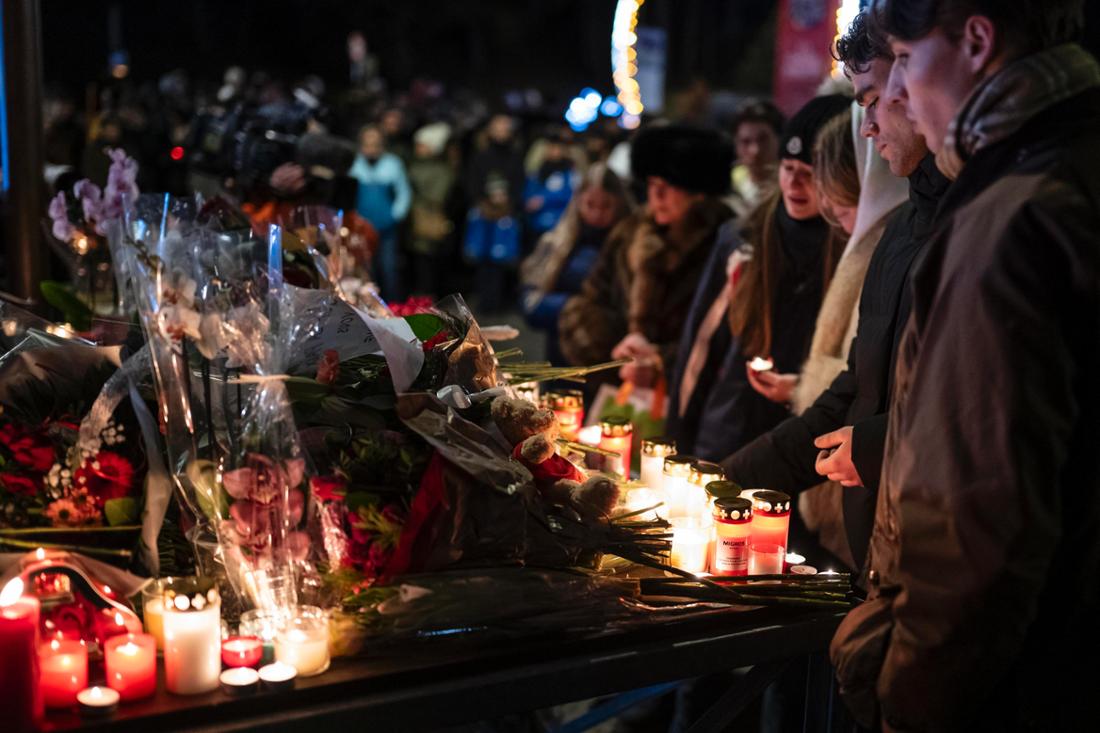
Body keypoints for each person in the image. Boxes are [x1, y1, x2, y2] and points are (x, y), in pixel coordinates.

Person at [829, 1, 1099, 729]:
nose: (900, 96)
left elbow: (972, 535)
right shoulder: (1065, 167)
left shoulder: (1009, 219)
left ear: (977, 40)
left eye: (909, 60)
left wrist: (907, 703)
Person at [722, 11, 949, 578]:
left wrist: (872, 445)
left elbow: (980, 419)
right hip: (873, 550)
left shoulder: (970, 227)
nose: (870, 126)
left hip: (927, 560)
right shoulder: (901, 233)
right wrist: (727, 477)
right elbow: (857, 387)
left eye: (872, 101)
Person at [665, 95, 850, 466]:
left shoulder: (851, 247)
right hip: (729, 430)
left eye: (809, 172)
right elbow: (701, 345)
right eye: (787, 167)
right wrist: (678, 438)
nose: (795, 183)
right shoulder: (743, 240)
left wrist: (802, 387)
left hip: (808, 447)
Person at [558, 124, 733, 395]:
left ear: (699, 192)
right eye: (652, 184)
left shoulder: (727, 244)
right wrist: (621, 352)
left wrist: (662, 361)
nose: (656, 195)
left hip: (689, 398)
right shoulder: (630, 231)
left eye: (669, 186)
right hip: (619, 391)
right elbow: (590, 300)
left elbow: (728, 337)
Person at [520, 163, 633, 366]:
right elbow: (530, 303)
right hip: (560, 360)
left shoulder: (631, 247)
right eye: (590, 205)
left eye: (606, 206)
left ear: (620, 204)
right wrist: (573, 309)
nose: (597, 213)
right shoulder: (557, 242)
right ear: (578, 201)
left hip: (612, 362)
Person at [464, 114, 526, 313]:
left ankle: (500, 301)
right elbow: (472, 184)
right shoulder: (480, 157)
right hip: (484, 216)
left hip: (506, 216)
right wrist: (485, 204)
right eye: (497, 128)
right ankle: (484, 302)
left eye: (504, 129)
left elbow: (519, 184)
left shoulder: (516, 158)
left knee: (503, 260)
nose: (501, 132)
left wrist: (508, 205)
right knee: (483, 261)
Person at [349, 124, 412, 302]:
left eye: (375, 144)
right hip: (360, 228)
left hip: (386, 227)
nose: (371, 149)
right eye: (367, 144)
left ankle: (392, 306)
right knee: (365, 270)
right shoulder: (354, 164)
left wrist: (395, 215)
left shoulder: (392, 164)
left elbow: (404, 192)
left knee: (389, 268)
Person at [406, 122, 456, 297]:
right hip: (413, 223)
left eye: (422, 145)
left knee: (428, 264)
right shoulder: (415, 165)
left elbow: (437, 197)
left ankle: (429, 298)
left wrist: (414, 191)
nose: (417, 148)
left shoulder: (441, 170)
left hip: (428, 222)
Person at [726, 99, 784, 218]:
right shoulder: (729, 187)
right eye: (745, 142)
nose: (755, 150)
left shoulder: (791, 186)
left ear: (779, 140)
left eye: (763, 140)